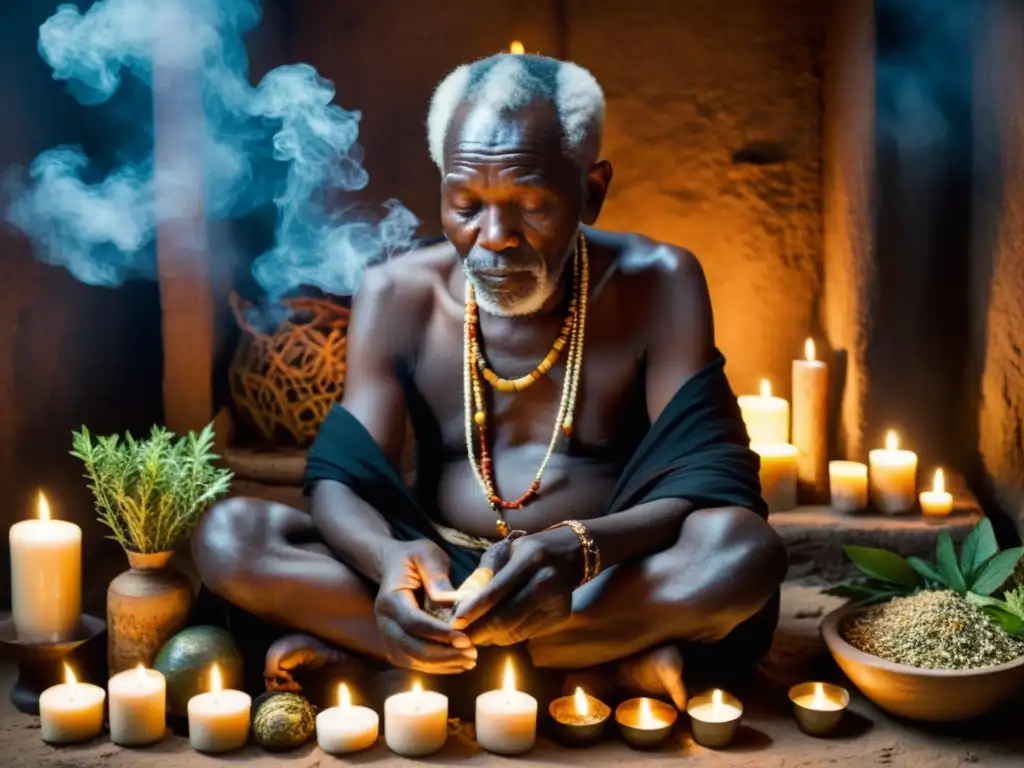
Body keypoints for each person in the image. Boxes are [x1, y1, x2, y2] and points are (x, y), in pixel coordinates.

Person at [192, 51, 788, 711]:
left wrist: (581, 547)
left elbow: (712, 483)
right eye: (467, 204)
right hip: (439, 580)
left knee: (742, 552)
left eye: (531, 204)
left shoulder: (659, 280)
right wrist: (387, 562)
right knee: (229, 536)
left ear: (590, 191)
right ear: (442, 187)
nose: (495, 238)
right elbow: (340, 482)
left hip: (597, 579)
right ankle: (587, 663)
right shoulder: (398, 295)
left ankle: (413, 660)